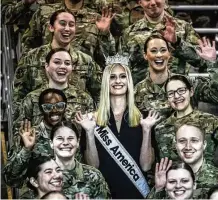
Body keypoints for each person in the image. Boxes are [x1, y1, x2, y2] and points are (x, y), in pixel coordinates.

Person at [75, 54, 160, 198]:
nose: (118, 81)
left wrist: (146, 130)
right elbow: (93, 167)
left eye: (122, 76)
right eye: (112, 77)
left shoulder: (144, 118)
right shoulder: (91, 120)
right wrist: (89, 133)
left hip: (136, 194)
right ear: (106, 82)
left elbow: (146, 166)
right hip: (104, 194)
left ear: (129, 81)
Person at [13, 9, 102, 119]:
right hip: (40, 128)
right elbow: (18, 98)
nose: (67, 29)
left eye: (71, 25)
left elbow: (99, 94)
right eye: (62, 24)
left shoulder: (85, 60)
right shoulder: (31, 58)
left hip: (75, 128)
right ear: (51, 27)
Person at [155, 74, 218, 163]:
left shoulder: (211, 122)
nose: (176, 96)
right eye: (171, 93)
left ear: (191, 92)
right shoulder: (161, 129)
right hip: (173, 184)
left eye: (181, 91)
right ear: (167, 98)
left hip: (204, 184)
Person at [4, 89, 84, 197]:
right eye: (48, 107)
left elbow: (85, 171)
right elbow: (10, 179)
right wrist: (26, 149)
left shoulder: (74, 134)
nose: (54, 110)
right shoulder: (29, 136)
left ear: (65, 107)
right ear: (41, 110)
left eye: (59, 105)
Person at [135, 34, 218, 121]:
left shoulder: (187, 83)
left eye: (163, 50)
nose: (159, 55)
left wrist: (212, 63)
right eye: (153, 51)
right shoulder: (136, 92)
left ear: (169, 54)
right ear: (145, 55)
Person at [122, 0, 201, 84]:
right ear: (140, 3)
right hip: (143, 94)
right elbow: (122, 68)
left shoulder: (184, 28)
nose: (152, 3)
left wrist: (177, 43)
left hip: (176, 92)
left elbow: (200, 61)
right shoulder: (129, 33)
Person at [14, 48, 94, 128]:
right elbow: (18, 133)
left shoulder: (85, 99)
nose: (62, 66)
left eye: (67, 63)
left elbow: (92, 131)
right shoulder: (31, 99)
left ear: (72, 67)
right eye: (57, 62)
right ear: (47, 66)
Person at [21, 0, 116, 68]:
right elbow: (28, 45)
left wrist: (105, 33)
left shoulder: (97, 19)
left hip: (82, 81)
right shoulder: (44, 13)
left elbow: (108, 59)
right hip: (47, 77)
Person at [49, 121, 110, 199]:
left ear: (77, 142)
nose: (65, 143)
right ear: (51, 143)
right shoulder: (41, 176)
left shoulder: (94, 176)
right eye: (60, 138)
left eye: (70, 138)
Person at [175, 122, 218, 198]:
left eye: (194, 140)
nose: (188, 147)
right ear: (176, 146)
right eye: (182, 141)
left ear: (204, 145)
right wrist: (159, 189)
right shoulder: (168, 178)